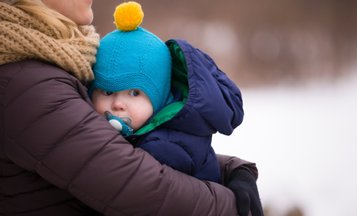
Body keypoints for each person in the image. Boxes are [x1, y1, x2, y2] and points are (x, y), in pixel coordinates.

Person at [0, 0, 263, 215]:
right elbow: (140, 186)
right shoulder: (28, 85)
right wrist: (235, 206)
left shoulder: (57, 62)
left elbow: (117, 152)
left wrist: (229, 171)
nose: (116, 102)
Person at [90, 1, 243, 184]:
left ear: (160, 99)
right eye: (107, 91)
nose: (117, 104)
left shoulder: (163, 149)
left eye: (134, 93)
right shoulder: (141, 134)